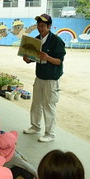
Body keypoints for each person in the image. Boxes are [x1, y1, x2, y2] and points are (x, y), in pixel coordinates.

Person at [23, 13, 66, 142]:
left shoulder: (56, 41)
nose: (40, 28)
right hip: (40, 77)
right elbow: (33, 58)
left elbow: (59, 61)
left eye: (43, 26)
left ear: (49, 26)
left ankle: (50, 134)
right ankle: (35, 126)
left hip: (51, 79)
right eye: (38, 25)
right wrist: (27, 59)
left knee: (49, 105)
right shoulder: (36, 40)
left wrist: (47, 57)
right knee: (36, 104)